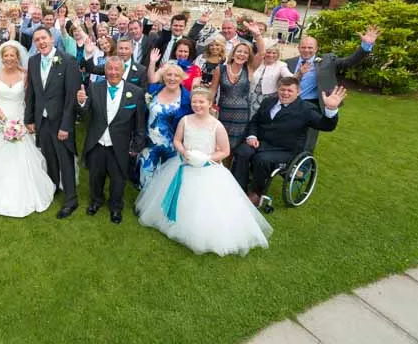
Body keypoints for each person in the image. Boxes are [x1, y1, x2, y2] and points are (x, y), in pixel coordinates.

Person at [135, 88, 272, 256]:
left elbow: (225, 151)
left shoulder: (216, 125)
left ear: (209, 104)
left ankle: (202, 230)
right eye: (194, 102)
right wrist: (184, 152)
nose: (197, 105)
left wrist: (207, 158)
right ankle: (175, 223)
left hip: (208, 168)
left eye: (201, 102)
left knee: (204, 203)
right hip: (185, 163)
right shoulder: (185, 120)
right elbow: (177, 140)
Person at [232, 79, 346, 203]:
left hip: (285, 149)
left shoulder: (306, 109)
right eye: (282, 90)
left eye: (290, 90)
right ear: (278, 90)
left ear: (298, 92)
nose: (285, 93)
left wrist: (331, 109)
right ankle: (237, 187)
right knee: (242, 151)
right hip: (260, 142)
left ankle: (257, 192)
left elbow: (326, 126)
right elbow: (255, 121)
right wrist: (252, 136)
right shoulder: (268, 102)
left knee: (262, 159)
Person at [0, 41, 55, 218]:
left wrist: (25, 120)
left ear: (18, 57)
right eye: (6, 56)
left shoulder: (25, 75)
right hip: (0, 118)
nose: (9, 58)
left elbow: (31, 98)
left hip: (20, 117)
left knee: (23, 154)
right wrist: (5, 120)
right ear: (1, 58)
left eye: (12, 55)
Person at [76, 56, 146, 224]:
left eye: (117, 69)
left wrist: (136, 146)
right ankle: (96, 200)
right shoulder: (94, 88)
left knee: (118, 179)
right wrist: (82, 103)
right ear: (105, 71)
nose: (113, 72)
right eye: (110, 69)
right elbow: (87, 116)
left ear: (123, 71)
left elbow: (139, 123)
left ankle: (116, 207)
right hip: (97, 142)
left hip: (120, 145)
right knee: (95, 176)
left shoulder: (135, 92)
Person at [284, 26, 378, 149]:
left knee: (308, 138)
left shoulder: (327, 62)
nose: (306, 50)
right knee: (285, 132)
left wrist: (365, 46)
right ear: (298, 48)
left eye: (310, 47)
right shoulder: (288, 62)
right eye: (303, 47)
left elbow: (349, 61)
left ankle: (304, 164)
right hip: (288, 101)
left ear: (317, 49)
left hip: (311, 104)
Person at [24, 27, 83, 219]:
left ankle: (70, 200)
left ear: (51, 39)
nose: (41, 42)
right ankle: (52, 188)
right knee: (49, 158)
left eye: (44, 38)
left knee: (65, 160)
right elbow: (31, 92)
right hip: (42, 120)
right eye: (37, 40)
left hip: (60, 122)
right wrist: (29, 118)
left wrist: (66, 126)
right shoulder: (33, 61)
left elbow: (71, 98)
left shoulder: (68, 61)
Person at [209, 22, 266, 150]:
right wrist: (209, 105)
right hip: (223, 113)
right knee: (218, 145)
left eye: (245, 53)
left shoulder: (249, 69)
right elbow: (212, 90)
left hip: (241, 115)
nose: (242, 55)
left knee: (233, 148)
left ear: (248, 57)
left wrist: (257, 35)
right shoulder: (221, 69)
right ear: (233, 53)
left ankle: (229, 170)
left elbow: (262, 53)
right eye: (239, 51)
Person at [137, 63, 192, 188]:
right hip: (149, 142)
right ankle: (144, 204)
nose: (172, 78)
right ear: (163, 76)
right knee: (146, 175)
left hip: (172, 146)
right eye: (169, 74)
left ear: (182, 77)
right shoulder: (153, 90)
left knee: (165, 180)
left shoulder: (187, 99)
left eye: (176, 75)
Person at [249, 41, 295, 116]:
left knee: (263, 117)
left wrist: (300, 73)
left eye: (274, 53)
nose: (271, 55)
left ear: (278, 55)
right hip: (251, 95)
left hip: (268, 97)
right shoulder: (257, 62)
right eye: (268, 52)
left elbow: (290, 77)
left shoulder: (281, 65)